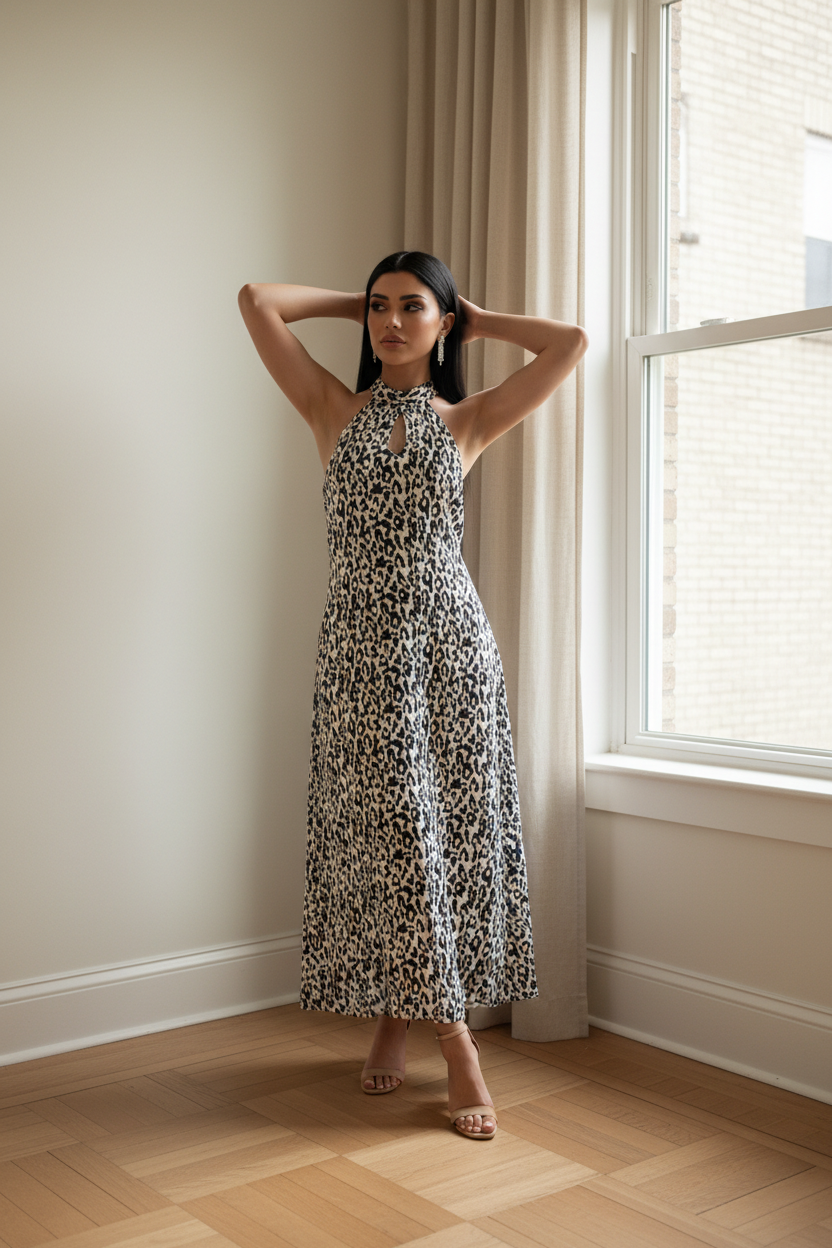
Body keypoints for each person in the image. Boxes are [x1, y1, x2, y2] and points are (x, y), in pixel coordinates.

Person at [238, 251, 588, 1140]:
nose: (390, 322)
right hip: (359, 653)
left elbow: (571, 343)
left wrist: (477, 314)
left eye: (411, 308)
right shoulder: (330, 408)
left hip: (451, 651)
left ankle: (426, 1024)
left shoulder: (467, 420)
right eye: (378, 308)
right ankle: (438, 1027)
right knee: (387, 830)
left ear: (442, 325)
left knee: (447, 837)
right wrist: (352, 296)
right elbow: (257, 301)